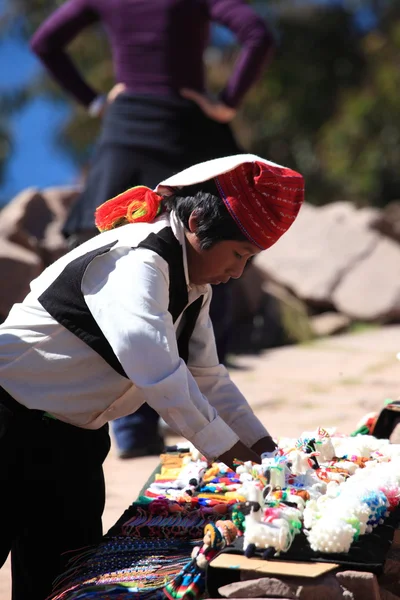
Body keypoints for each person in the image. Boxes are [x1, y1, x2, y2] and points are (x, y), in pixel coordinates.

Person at [0, 153, 303, 599]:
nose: (237, 272)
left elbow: (208, 378)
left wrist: (267, 454)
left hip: (73, 443)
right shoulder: (136, 260)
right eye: (238, 254)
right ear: (198, 222)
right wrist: (232, 456)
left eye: (248, 260)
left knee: (59, 580)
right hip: (8, 422)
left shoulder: (194, 286)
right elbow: (155, 369)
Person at [29, 0, 275, 459]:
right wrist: (227, 103)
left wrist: (95, 100)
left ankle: (136, 432)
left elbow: (44, 42)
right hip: (187, 130)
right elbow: (257, 32)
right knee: (200, 268)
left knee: (123, 275)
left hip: (128, 130)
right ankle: (197, 419)